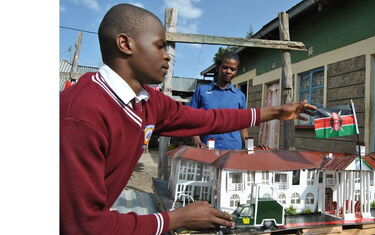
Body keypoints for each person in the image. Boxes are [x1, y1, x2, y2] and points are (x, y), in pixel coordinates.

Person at [60, 3, 316, 235]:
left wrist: (276, 112)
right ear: (125, 44)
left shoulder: (147, 100)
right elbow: (83, 225)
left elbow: (207, 119)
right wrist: (175, 219)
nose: (168, 55)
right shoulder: (82, 113)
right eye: (160, 45)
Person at [189, 52, 254, 150]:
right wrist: (197, 141)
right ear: (218, 67)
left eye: (233, 69)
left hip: (234, 149)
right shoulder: (202, 91)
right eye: (225, 67)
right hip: (207, 149)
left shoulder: (240, 96)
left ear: (236, 71)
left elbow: (243, 126)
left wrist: (250, 147)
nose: (228, 71)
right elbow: (191, 119)